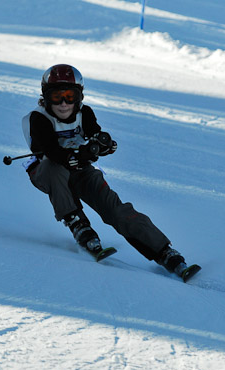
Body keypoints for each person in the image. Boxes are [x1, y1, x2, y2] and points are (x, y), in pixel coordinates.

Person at [21, 64, 192, 278]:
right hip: (46, 171)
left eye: (69, 96)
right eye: (56, 97)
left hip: (79, 169)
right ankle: (77, 223)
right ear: (45, 97)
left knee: (115, 209)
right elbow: (51, 150)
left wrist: (103, 145)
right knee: (55, 168)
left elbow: (95, 134)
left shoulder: (85, 113)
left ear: (79, 96)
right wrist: (74, 156)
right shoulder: (39, 118)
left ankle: (164, 251)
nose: (64, 103)